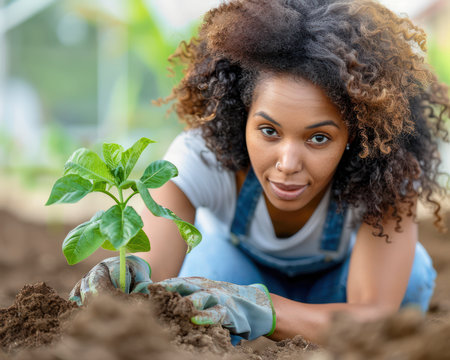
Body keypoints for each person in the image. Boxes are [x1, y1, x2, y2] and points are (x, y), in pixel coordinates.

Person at [71, 0, 449, 344]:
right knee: (190, 283)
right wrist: (126, 279)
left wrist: (266, 310)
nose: (287, 164)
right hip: (230, 278)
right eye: (269, 131)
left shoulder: (384, 171)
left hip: (336, 295)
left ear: (356, 133)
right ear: (242, 119)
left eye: (318, 138)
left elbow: (371, 313)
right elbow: (150, 285)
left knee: (411, 274)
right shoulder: (202, 157)